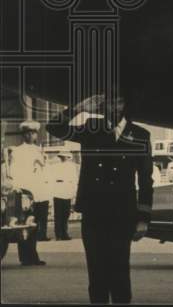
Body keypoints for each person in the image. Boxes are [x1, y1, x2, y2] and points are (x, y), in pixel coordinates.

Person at [46, 92, 154, 304]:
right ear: (103, 105)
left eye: (119, 100)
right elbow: (54, 128)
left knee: (120, 271)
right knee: (96, 273)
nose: (114, 106)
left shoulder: (140, 134)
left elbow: (145, 179)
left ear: (126, 104)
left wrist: (143, 218)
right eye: (110, 101)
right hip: (94, 212)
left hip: (123, 213)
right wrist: (78, 109)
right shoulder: (90, 127)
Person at [7, 120, 49, 264]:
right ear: (23, 135)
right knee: (24, 225)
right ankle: (26, 258)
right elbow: (14, 172)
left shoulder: (39, 150)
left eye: (33, 133)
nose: (31, 135)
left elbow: (43, 172)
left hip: (39, 192)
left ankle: (32, 256)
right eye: (28, 133)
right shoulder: (18, 151)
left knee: (35, 225)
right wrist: (18, 189)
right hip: (25, 193)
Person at [49, 150, 79, 241]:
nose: (63, 158)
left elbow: (74, 179)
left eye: (65, 156)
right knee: (58, 214)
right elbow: (52, 178)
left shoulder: (72, 166)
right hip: (58, 190)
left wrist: (74, 192)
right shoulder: (55, 166)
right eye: (61, 156)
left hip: (67, 190)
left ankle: (64, 233)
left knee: (66, 213)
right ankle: (58, 234)